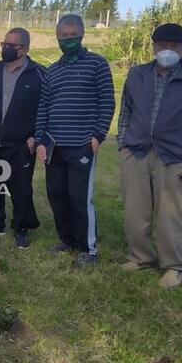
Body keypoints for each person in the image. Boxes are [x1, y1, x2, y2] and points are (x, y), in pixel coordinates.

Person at [117, 23, 182, 288]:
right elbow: (126, 110)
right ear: (154, 46)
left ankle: (174, 266)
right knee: (135, 210)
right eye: (162, 46)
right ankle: (140, 257)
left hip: (174, 155)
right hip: (136, 150)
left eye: (174, 47)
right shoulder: (137, 74)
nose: (167, 51)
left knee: (169, 213)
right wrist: (123, 142)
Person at [35, 14, 116, 268]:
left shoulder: (97, 64)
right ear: (57, 38)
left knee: (79, 197)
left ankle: (87, 248)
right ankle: (67, 239)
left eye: (72, 36)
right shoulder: (52, 71)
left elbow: (107, 102)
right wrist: (39, 140)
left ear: (82, 35)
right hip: (54, 145)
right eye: (63, 37)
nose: (68, 40)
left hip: (82, 143)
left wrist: (98, 135)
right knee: (56, 194)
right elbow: (43, 106)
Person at [0, 28, 45, 249]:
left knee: (21, 187)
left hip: (22, 143)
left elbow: (45, 108)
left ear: (24, 49)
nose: (5, 48)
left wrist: (36, 136)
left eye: (10, 46)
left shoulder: (39, 74)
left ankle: (21, 228)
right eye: (3, 44)